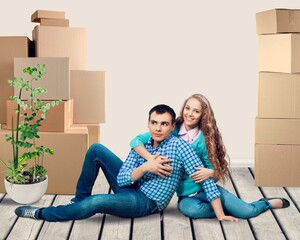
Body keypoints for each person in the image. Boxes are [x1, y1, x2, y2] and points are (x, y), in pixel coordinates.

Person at [15, 104, 237, 222]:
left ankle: (42, 214)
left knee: (96, 203)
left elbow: (203, 178)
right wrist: (146, 166)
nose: (158, 128)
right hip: (131, 186)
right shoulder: (143, 144)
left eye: (164, 124)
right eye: (154, 123)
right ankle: (78, 200)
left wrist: (219, 214)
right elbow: (122, 178)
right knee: (96, 150)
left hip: (146, 202)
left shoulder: (180, 147)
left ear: (172, 127)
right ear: (148, 123)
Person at [130, 94, 290, 219]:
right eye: (187, 108)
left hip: (205, 188)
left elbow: (215, 169)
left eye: (196, 111)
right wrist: (150, 160)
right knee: (189, 210)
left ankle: (265, 204)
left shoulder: (204, 140)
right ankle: (226, 209)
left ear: (203, 115)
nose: (190, 114)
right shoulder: (170, 129)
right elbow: (136, 141)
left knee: (247, 212)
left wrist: (211, 173)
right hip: (186, 195)